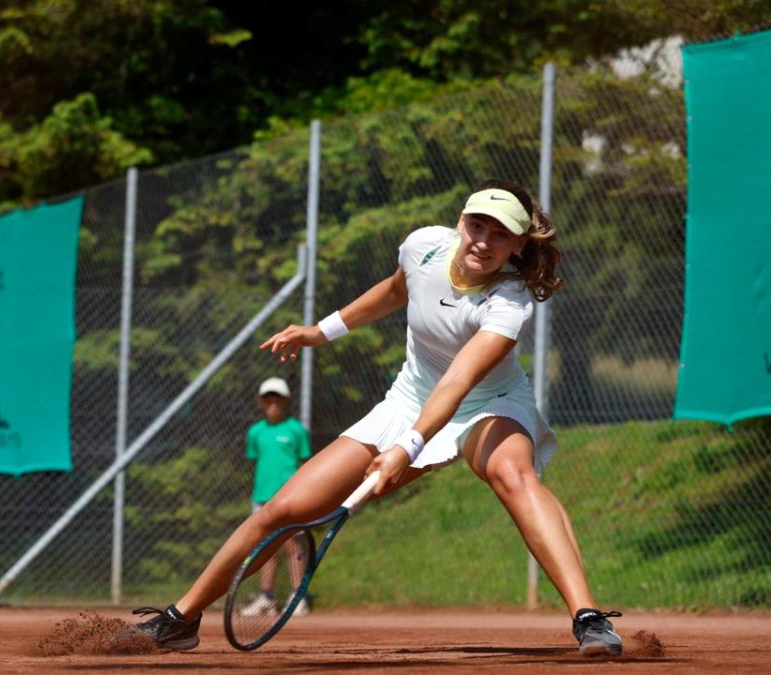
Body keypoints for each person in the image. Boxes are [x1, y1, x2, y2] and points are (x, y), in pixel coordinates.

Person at [131, 180, 624, 656]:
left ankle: (588, 618)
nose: (484, 241)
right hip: (407, 401)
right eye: (478, 225)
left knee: (510, 472)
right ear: (460, 222)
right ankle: (180, 620)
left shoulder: (509, 301)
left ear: (518, 245)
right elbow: (395, 291)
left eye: (501, 234)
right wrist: (320, 332)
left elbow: (457, 382)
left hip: (487, 403)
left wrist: (406, 449)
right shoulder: (425, 246)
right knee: (281, 511)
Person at [238, 377, 312, 618]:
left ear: (286, 401)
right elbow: (255, 461)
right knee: (265, 548)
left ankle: (297, 597)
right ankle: (266, 598)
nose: (273, 402)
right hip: (262, 499)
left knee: (293, 546)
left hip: (291, 499)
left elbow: (305, 463)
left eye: (277, 397)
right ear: (261, 401)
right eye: (268, 397)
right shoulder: (256, 432)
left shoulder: (296, 430)